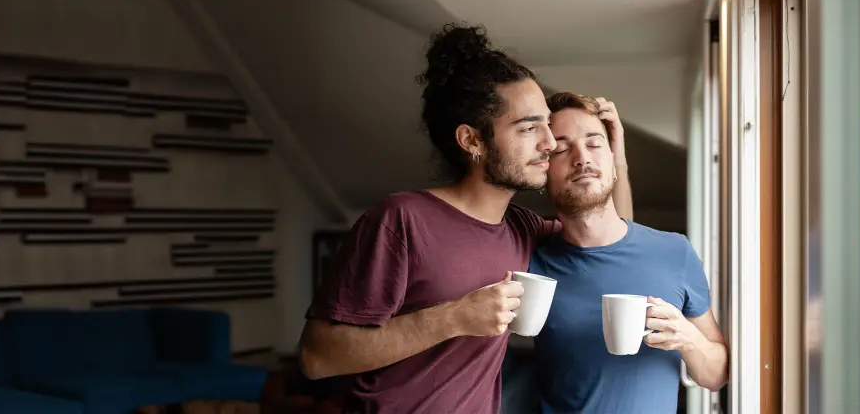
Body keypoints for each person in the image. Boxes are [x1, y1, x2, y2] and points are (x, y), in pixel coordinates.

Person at [296, 24, 632, 414]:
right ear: (472, 140)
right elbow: (316, 357)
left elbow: (615, 240)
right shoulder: (401, 220)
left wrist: (615, 154)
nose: (549, 142)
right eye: (528, 128)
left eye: (546, 124)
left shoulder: (523, 229)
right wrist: (454, 317)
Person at [525, 92, 729, 413]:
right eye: (562, 148)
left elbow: (716, 376)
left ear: (613, 160)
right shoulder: (530, 260)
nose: (582, 158)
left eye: (594, 144)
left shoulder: (674, 251)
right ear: (542, 171)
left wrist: (687, 338)